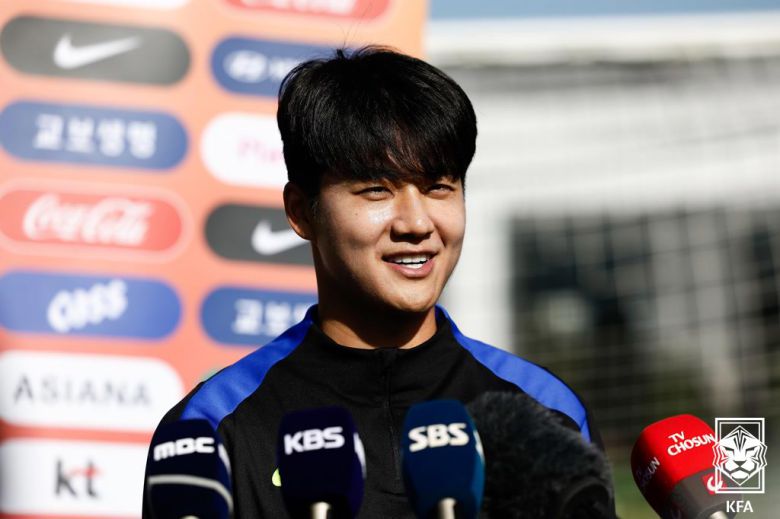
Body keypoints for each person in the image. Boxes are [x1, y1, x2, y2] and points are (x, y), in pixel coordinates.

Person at [143, 46, 609, 518]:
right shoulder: (212, 427)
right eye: (376, 190)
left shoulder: (547, 409)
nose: (416, 223)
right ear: (301, 212)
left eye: (438, 188)